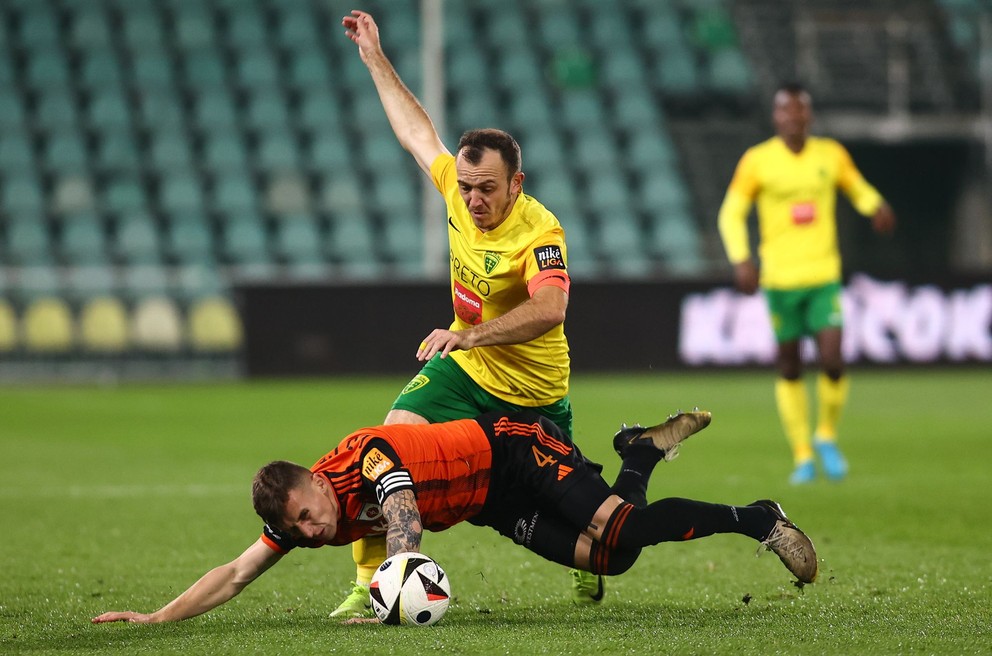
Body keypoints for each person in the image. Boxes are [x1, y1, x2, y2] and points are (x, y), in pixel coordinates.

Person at [330, 10, 597, 616]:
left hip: (533, 390)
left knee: (579, 518)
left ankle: (591, 565)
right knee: (387, 445)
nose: (473, 199)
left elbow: (551, 308)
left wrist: (469, 334)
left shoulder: (541, 230)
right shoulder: (456, 186)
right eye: (467, 186)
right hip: (465, 370)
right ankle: (371, 583)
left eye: (487, 189)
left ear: (517, 184)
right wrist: (374, 56)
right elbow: (415, 132)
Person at [91, 408, 818, 626]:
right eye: (305, 529)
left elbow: (401, 513)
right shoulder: (297, 518)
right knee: (613, 556)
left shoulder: (365, 460)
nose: (315, 533)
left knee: (622, 529)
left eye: (313, 516)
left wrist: (393, 594)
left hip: (511, 450)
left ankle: (757, 518)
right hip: (487, 504)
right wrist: (158, 619)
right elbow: (239, 572)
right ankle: (637, 453)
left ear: (316, 478)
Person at [717, 82, 897, 485]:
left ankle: (827, 435)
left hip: (822, 276)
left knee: (832, 359)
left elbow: (856, 186)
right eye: (785, 110)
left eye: (800, 111)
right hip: (780, 280)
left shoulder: (830, 154)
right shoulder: (758, 161)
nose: (793, 117)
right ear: (776, 116)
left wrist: (876, 205)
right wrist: (741, 257)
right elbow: (731, 212)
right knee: (790, 365)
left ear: (808, 116)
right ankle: (802, 454)